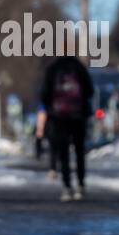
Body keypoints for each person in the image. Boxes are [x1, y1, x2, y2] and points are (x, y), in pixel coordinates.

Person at [40, 53, 95, 201]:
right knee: (79, 151)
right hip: (78, 115)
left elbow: (44, 93)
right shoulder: (79, 67)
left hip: (59, 118)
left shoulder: (52, 68)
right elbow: (90, 90)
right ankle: (81, 185)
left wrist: (51, 109)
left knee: (63, 152)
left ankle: (67, 186)